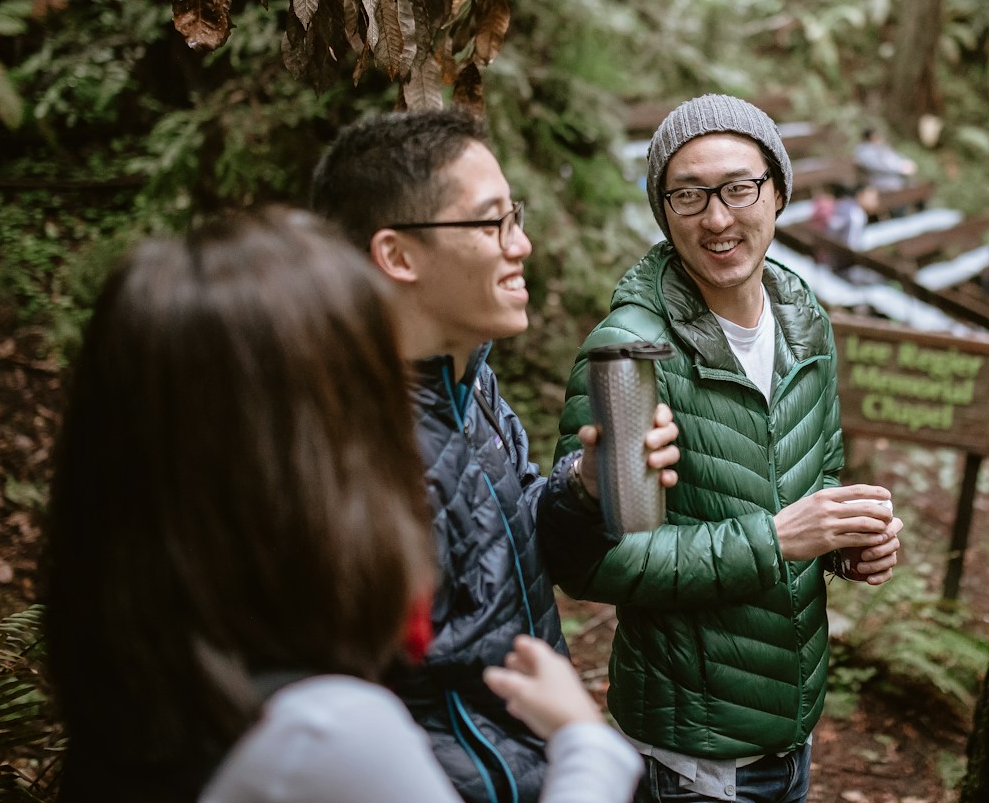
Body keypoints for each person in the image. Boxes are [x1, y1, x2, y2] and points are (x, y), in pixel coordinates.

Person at [45, 210, 642, 803]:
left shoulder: (145, 684)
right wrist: (585, 743)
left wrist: (582, 487)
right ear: (295, 445)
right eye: (368, 381)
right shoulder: (322, 735)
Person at [309, 111, 677, 803]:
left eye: (518, 217)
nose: (523, 245)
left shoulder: (466, 379)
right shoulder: (340, 449)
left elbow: (507, 540)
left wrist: (586, 487)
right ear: (397, 255)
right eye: (491, 224)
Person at [547, 95, 905, 803]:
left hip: (791, 721)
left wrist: (842, 541)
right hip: (692, 749)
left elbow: (816, 476)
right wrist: (775, 539)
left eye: (739, 188)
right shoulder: (631, 352)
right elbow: (589, 559)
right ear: (664, 210)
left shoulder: (805, 319)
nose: (717, 218)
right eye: (688, 195)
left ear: (777, 193)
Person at [852, 126, 918, 193]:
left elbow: (894, 157)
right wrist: (900, 168)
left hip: (897, 183)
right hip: (884, 185)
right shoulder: (864, 152)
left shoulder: (879, 147)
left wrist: (905, 163)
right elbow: (878, 165)